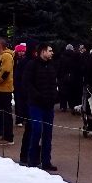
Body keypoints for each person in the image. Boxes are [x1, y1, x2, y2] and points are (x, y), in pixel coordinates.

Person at [18, 42, 59, 171]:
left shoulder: (52, 65)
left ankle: (46, 161)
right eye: (50, 50)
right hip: (36, 105)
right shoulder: (32, 65)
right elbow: (26, 83)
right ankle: (32, 159)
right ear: (42, 52)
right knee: (36, 130)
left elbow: (54, 83)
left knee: (48, 133)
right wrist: (36, 95)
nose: (52, 53)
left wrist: (55, 95)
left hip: (48, 105)